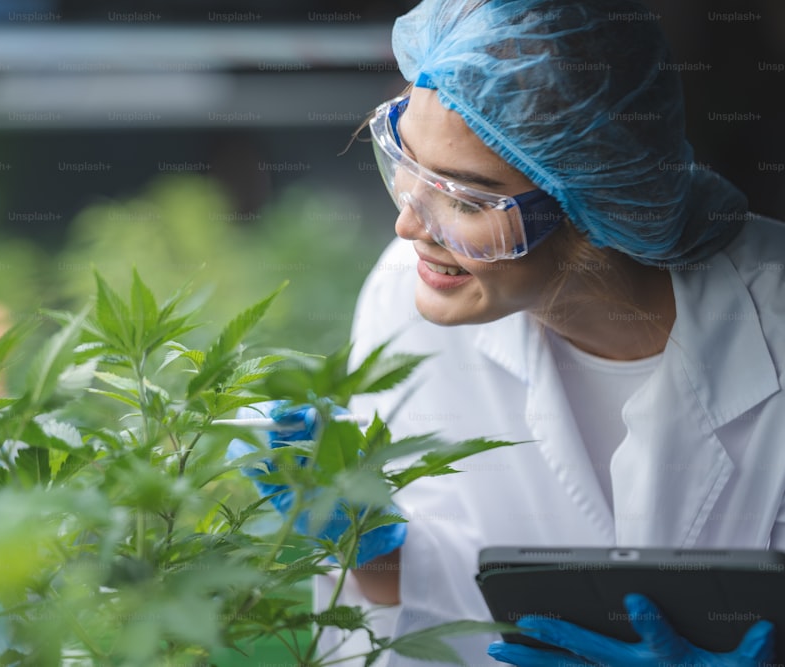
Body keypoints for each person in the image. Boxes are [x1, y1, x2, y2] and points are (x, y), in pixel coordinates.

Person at [240, 0, 785, 665]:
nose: (408, 227)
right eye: (405, 164)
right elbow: (427, 615)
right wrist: (367, 547)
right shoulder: (408, 295)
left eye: (466, 200)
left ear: (594, 206)